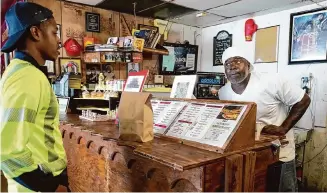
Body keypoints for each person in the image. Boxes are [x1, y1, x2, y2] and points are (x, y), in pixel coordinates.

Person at [219, 47, 311, 192]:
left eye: (238, 61)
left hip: (279, 152)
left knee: (282, 189)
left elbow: (303, 100)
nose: (232, 66)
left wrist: (283, 128)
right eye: (227, 63)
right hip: (248, 154)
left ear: (248, 65)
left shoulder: (272, 81)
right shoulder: (223, 93)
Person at [0, 2, 69, 192]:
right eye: (54, 33)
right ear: (36, 32)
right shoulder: (28, 77)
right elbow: (7, 151)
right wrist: (50, 187)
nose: (59, 40)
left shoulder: (19, 71)